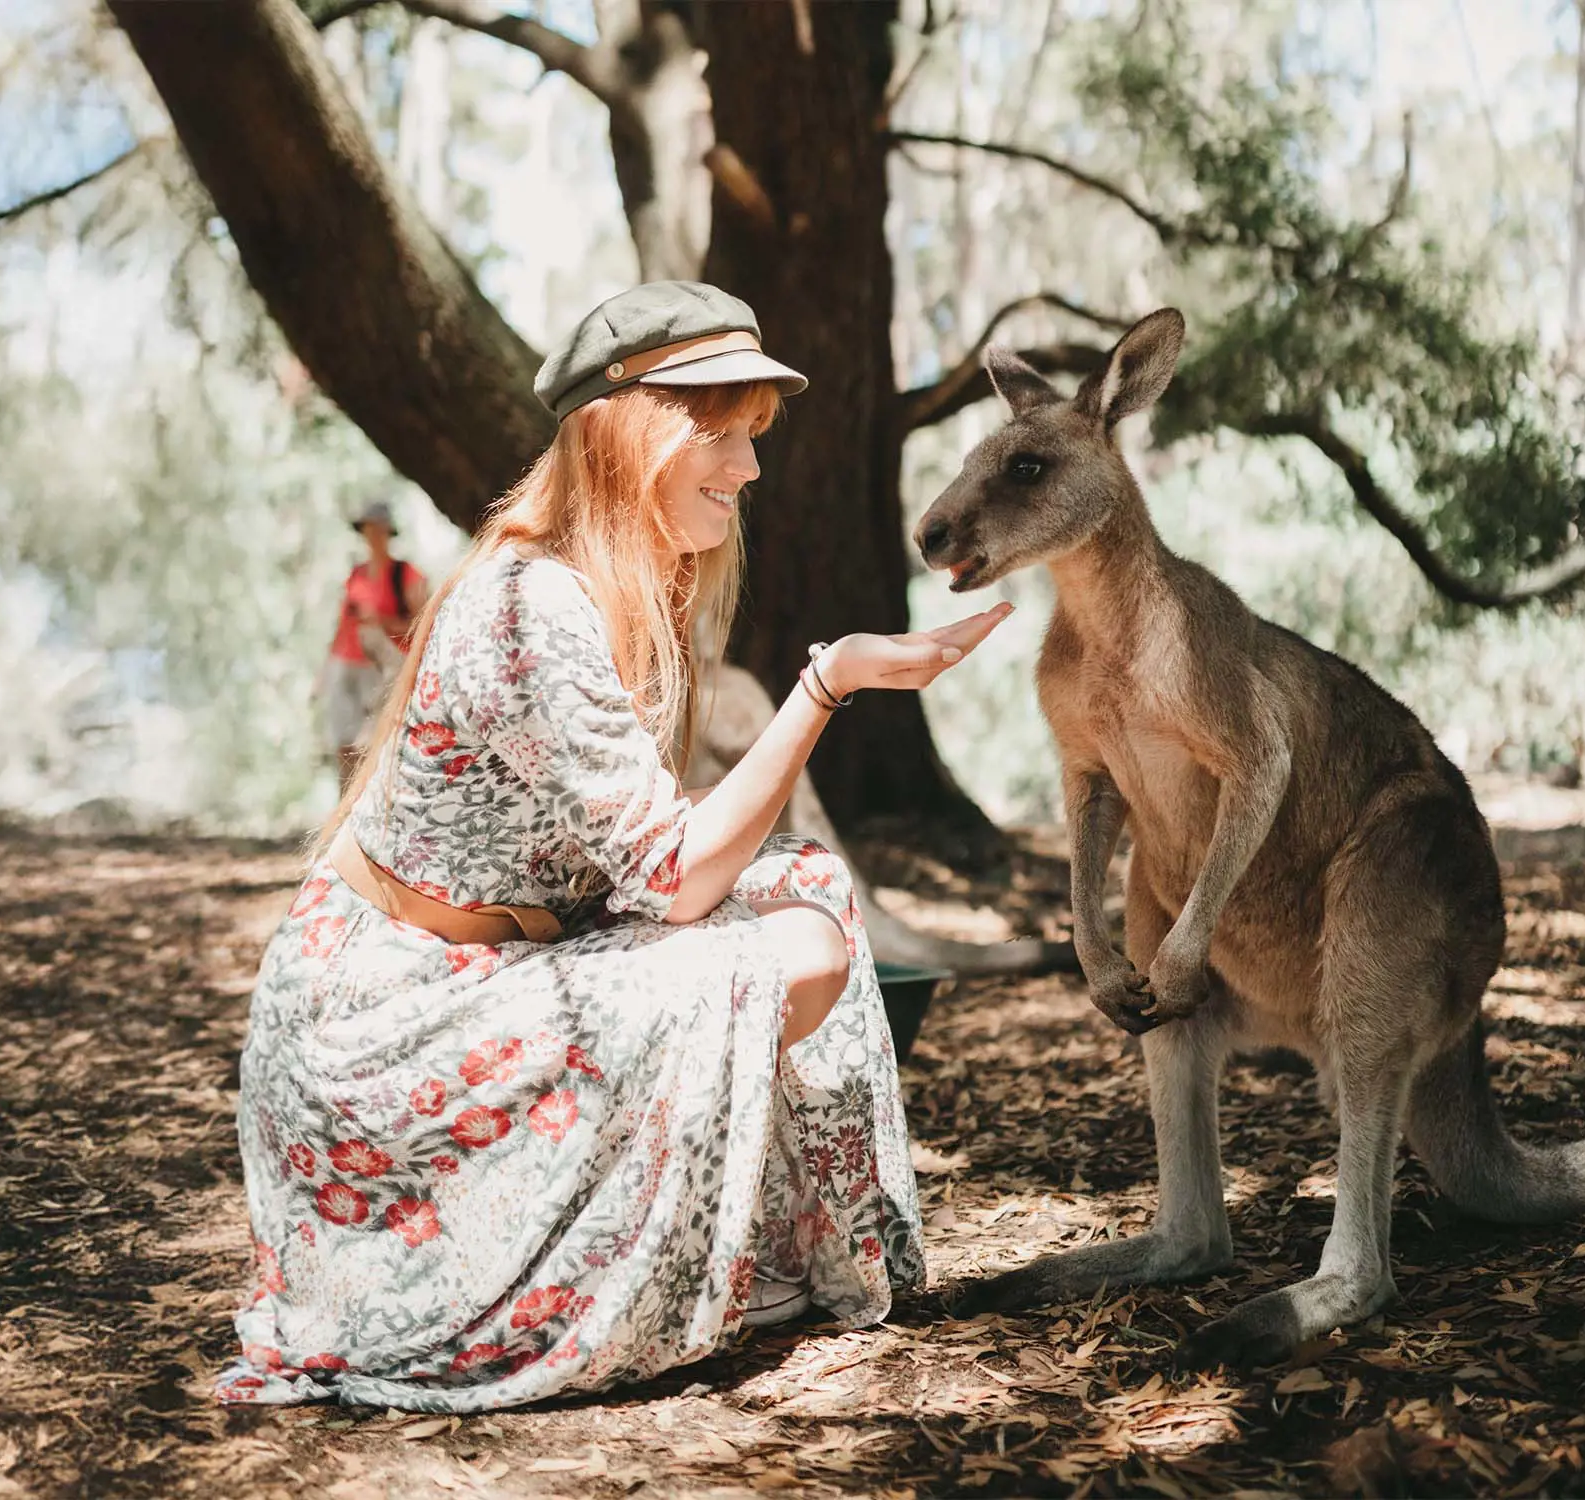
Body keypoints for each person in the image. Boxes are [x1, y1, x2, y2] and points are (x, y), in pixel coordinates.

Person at [217, 280, 1011, 1412]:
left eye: (750, 440)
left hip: (498, 965)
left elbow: (643, 845)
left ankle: (758, 1253)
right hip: (390, 1022)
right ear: (633, 431)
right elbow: (677, 879)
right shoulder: (531, 603)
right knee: (788, 954)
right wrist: (826, 684)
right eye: (722, 436)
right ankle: (635, 1269)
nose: (747, 469)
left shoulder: (610, 590)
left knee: (808, 891)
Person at [315, 500, 429, 787]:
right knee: (344, 740)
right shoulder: (357, 575)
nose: (372, 535)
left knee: (372, 741)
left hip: (383, 668)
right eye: (368, 528)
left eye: (378, 528)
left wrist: (381, 621)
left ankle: (373, 802)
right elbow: (343, 624)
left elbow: (422, 626)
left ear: (387, 532)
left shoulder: (406, 576)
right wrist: (324, 672)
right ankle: (344, 807)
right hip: (347, 662)